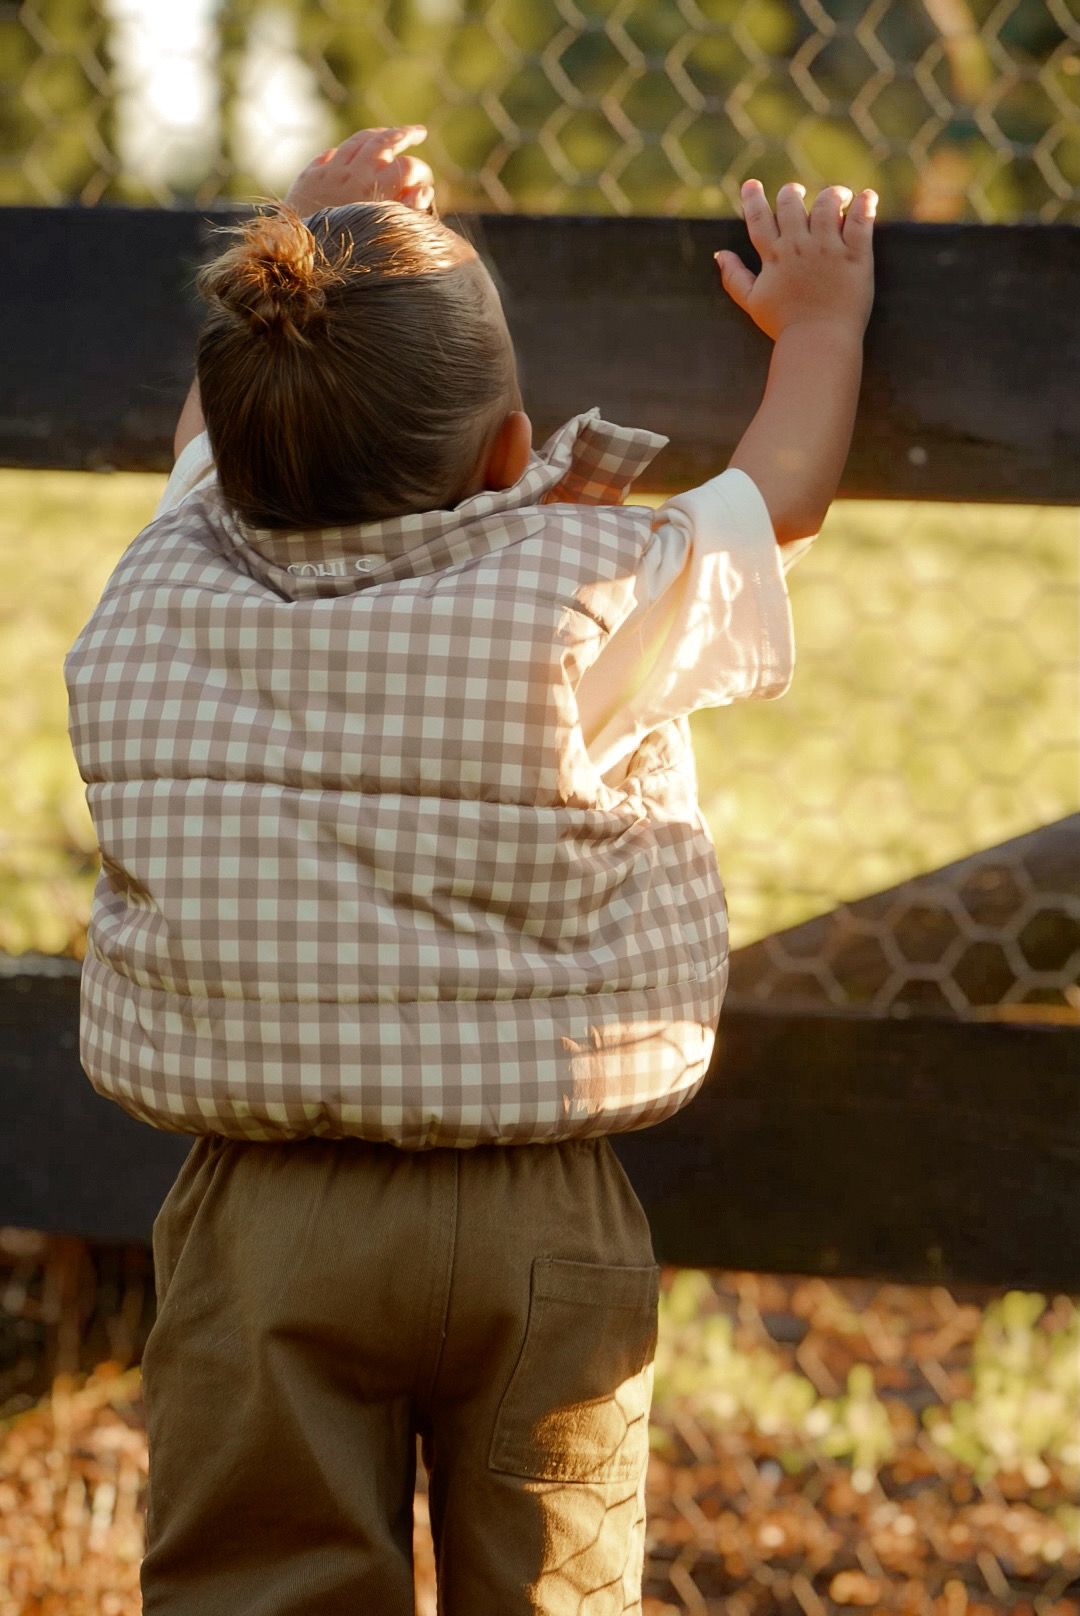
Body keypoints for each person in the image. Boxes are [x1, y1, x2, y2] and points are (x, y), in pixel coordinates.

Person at [65, 125, 875, 1616]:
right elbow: (783, 497)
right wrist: (821, 325)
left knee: (261, 1587)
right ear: (512, 448)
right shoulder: (587, 593)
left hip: (264, 1219)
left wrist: (305, 228)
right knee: (553, 1591)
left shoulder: (166, 572)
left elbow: (206, 436)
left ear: (235, 443)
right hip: (535, 1212)